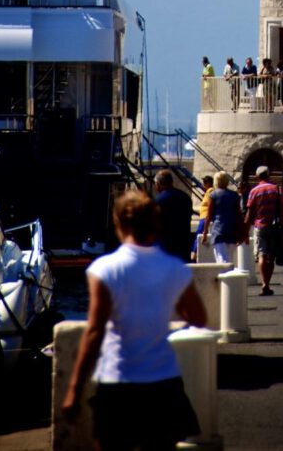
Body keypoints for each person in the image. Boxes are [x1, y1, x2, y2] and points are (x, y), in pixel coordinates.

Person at [62, 190, 206, 451]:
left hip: (118, 378)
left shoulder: (104, 268)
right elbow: (198, 318)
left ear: (118, 222)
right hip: (164, 379)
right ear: (155, 223)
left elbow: (94, 331)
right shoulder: (173, 268)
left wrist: (74, 389)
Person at [245, 165, 283, 296]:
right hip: (274, 226)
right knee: (271, 257)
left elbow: (249, 213)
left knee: (261, 254)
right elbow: (282, 211)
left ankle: (264, 283)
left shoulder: (254, 191)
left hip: (260, 226)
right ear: (269, 175)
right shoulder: (277, 189)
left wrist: (246, 229)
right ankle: (268, 283)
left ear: (257, 176)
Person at [203, 171, 242, 265]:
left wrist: (205, 232)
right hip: (232, 230)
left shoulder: (213, 195)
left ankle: (224, 279)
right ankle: (230, 279)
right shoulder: (234, 195)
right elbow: (239, 215)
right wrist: (241, 232)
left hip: (218, 231)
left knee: (222, 261)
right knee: (230, 259)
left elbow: (209, 215)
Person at [154, 170, 193, 262]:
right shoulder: (185, 197)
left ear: (158, 184)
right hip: (183, 245)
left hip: (165, 247)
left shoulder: (158, 201)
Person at [191, 174, 214, 261]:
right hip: (203, 216)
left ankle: (194, 253)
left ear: (209, 183)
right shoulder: (207, 192)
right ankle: (195, 253)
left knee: (199, 234)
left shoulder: (211, 191)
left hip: (205, 217)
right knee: (198, 234)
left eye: (205, 182)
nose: (203, 184)